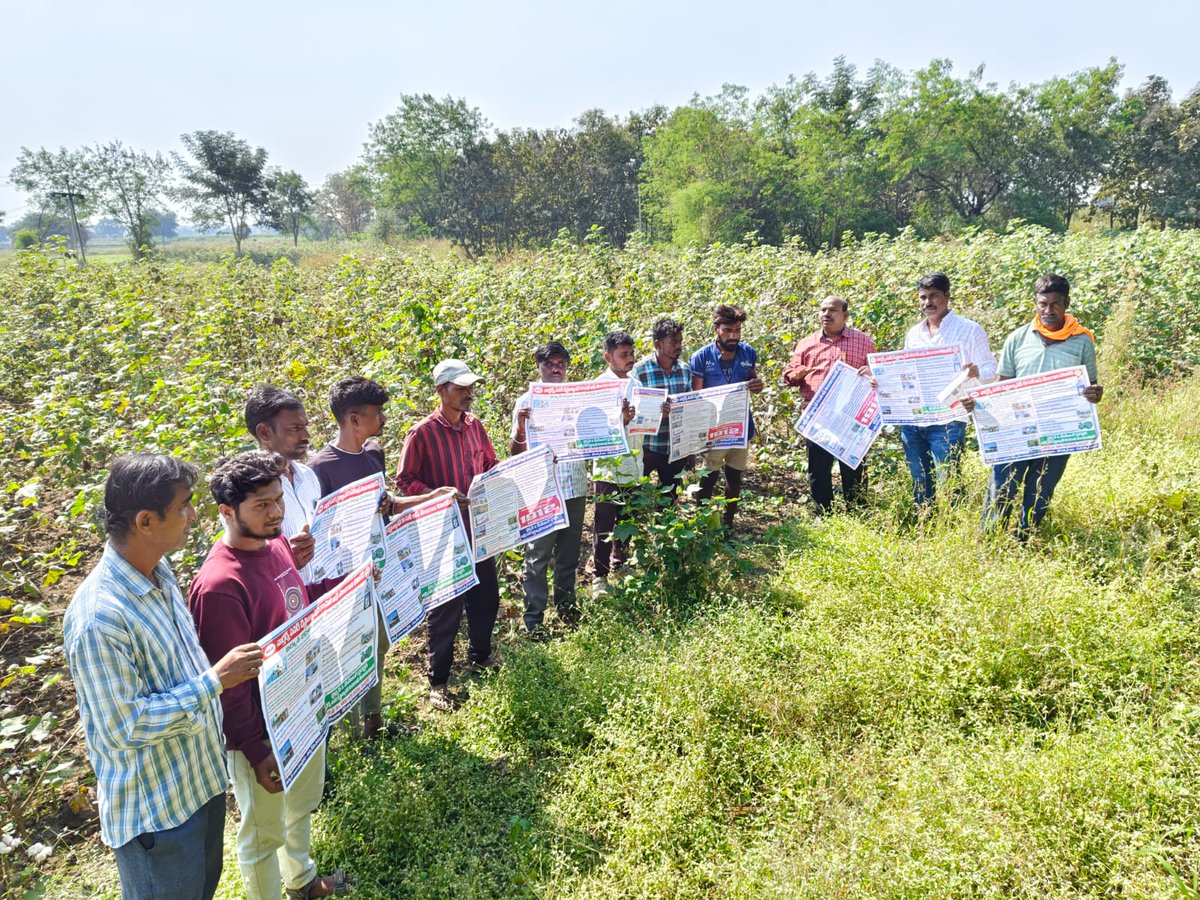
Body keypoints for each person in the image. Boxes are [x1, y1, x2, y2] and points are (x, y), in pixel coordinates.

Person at [64, 454, 263, 900]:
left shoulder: (159, 569)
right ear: (146, 521)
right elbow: (123, 727)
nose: (195, 515)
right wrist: (214, 682)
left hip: (198, 785)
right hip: (158, 814)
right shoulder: (100, 618)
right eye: (184, 506)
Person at [189, 451, 350, 900]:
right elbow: (230, 683)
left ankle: (300, 879)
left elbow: (295, 603)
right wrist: (256, 751)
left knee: (299, 808)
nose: (276, 512)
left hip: (303, 705)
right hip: (262, 732)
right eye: (261, 505)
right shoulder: (221, 585)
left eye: (278, 500)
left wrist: (345, 583)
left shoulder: (276, 545)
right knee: (263, 836)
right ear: (226, 512)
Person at [308, 376, 436, 738]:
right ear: (352, 418)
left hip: (377, 572)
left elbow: (387, 505)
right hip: (340, 582)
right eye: (376, 413)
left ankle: (373, 722)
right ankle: (348, 732)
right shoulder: (320, 469)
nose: (382, 419)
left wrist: (428, 498)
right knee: (344, 651)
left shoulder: (373, 455)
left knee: (375, 645)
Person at [396, 359, 501, 709]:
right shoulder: (421, 434)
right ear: (441, 391)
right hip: (442, 535)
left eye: (471, 388)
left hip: (479, 530)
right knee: (446, 607)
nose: (469, 394)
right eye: (461, 389)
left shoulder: (475, 427)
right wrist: (437, 493)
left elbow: (489, 466)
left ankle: (480, 655)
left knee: (486, 596)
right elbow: (404, 482)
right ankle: (438, 680)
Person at [967, 273, 1103, 536]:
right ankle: (989, 541)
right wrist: (979, 400)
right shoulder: (1017, 338)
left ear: (1067, 303)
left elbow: (1090, 386)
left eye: (1055, 304)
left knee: (1041, 489)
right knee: (1003, 485)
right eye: (1043, 304)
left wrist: (1095, 394)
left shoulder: (1082, 341)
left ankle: (1024, 539)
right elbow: (1002, 383)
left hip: (1058, 432)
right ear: (1035, 303)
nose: (1048, 310)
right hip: (1016, 430)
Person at [897, 273, 997, 505]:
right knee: (919, 479)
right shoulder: (914, 333)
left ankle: (954, 524)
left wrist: (976, 373)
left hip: (949, 418)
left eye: (934, 296)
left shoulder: (969, 330)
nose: (927, 302)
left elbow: (991, 370)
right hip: (915, 418)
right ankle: (925, 525)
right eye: (923, 297)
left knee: (949, 478)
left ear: (947, 296)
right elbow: (905, 370)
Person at [510, 342, 589, 637]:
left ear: (567, 366)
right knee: (537, 556)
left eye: (561, 364)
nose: (556, 369)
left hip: (574, 485)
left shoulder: (579, 399)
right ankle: (534, 621)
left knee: (569, 556)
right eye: (549, 364)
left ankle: (567, 610)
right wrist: (520, 428)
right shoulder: (526, 403)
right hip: (540, 490)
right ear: (539, 367)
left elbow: (595, 432)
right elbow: (515, 452)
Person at [782, 296, 877, 513]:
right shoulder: (807, 343)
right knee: (818, 468)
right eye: (823, 309)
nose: (826, 314)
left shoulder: (863, 341)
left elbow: (878, 373)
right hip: (818, 417)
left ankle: (857, 511)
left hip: (851, 416)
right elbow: (788, 374)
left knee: (854, 465)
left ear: (845, 315)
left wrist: (872, 373)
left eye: (833, 310)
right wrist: (796, 374)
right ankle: (823, 513)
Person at [690, 304, 764, 528]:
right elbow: (697, 394)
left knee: (735, 475)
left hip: (740, 427)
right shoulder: (701, 357)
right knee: (709, 476)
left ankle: (728, 523)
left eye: (737, 331)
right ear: (716, 329)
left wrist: (757, 385)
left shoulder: (748, 352)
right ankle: (702, 522)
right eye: (728, 331)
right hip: (714, 428)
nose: (734, 336)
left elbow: (754, 380)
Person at [245, 386, 319, 573]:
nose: (306, 436)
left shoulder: (307, 475)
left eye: (305, 427)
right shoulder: (245, 487)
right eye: (295, 429)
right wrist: (283, 558)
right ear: (264, 432)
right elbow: (243, 560)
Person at [591, 330, 642, 596]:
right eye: (624, 355)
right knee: (604, 523)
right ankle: (599, 576)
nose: (630, 359)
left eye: (632, 354)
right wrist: (620, 421)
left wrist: (661, 413)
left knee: (627, 518)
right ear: (608, 356)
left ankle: (619, 564)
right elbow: (594, 431)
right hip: (608, 467)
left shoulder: (637, 383)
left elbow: (645, 420)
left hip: (635, 463)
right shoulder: (598, 386)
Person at [632, 317, 693, 498]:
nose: (679, 345)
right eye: (673, 341)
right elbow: (634, 407)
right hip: (648, 446)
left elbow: (690, 403)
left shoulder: (685, 370)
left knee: (669, 497)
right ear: (658, 344)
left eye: (680, 340)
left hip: (674, 447)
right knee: (634, 495)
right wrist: (658, 413)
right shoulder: (640, 371)